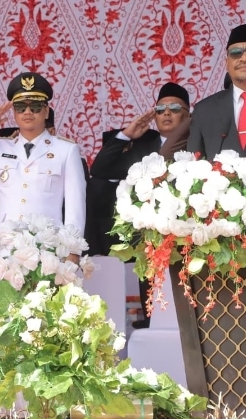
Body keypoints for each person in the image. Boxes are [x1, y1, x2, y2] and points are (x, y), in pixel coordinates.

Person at [90, 82, 190, 329]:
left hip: (189, 234)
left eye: (174, 108)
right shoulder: (143, 145)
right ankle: (150, 323)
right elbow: (100, 169)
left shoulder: (198, 139)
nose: (166, 113)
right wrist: (126, 135)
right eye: (160, 109)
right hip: (149, 238)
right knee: (153, 309)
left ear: (187, 114)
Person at [0, 72, 86, 250]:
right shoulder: (0, 148)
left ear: (46, 111)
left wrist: (73, 248)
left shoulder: (66, 150)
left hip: (47, 245)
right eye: (20, 107)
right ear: (14, 113)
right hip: (3, 246)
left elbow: (75, 205)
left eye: (36, 107)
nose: (27, 112)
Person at [188, 24, 246, 159]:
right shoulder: (204, 110)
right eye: (236, 53)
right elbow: (193, 165)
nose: (243, 59)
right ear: (226, 63)